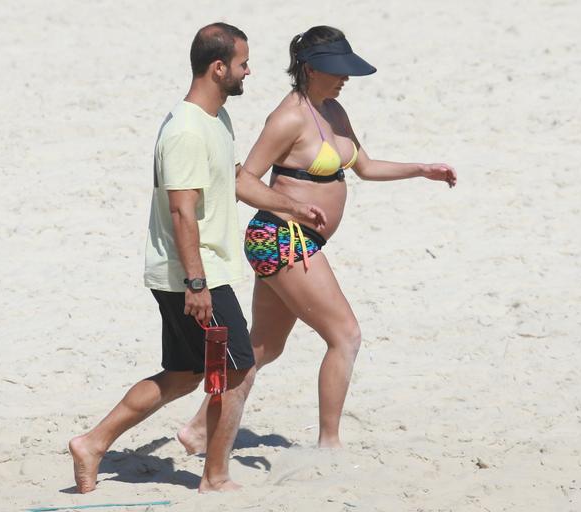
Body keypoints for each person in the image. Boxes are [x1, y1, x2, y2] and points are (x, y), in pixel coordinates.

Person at [68, 23, 326, 494]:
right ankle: (215, 477)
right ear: (218, 67)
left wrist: (290, 206)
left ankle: (92, 443)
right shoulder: (186, 131)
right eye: (243, 63)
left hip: (200, 270)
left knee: (187, 374)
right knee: (237, 366)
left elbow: (233, 179)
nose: (250, 71)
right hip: (195, 273)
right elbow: (182, 212)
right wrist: (197, 285)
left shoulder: (215, 119)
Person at [177, 25, 456, 452]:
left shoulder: (334, 111)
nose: (345, 78)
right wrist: (291, 207)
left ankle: (198, 428)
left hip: (299, 241)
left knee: (263, 348)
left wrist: (421, 169)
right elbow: (243, 179)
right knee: (345, 336)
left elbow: (366, 166)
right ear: (309, 69)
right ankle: (330, 443)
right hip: (281, 239)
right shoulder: (288, 117)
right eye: (336, 70)